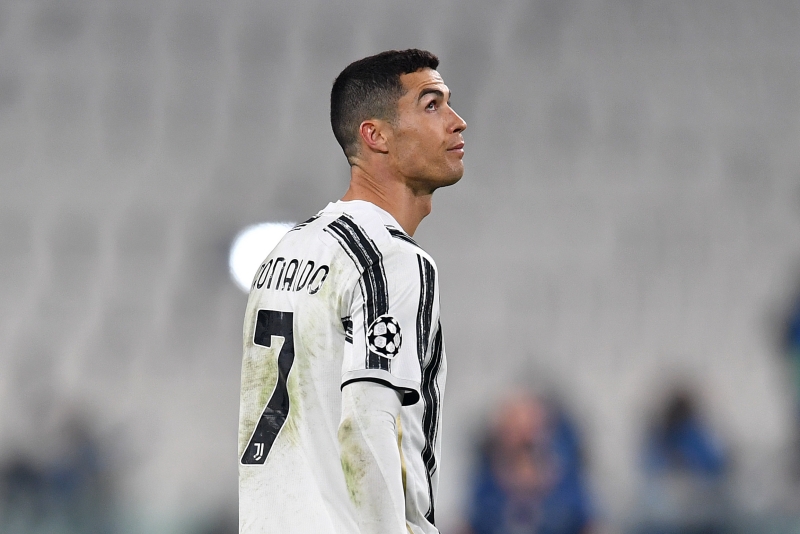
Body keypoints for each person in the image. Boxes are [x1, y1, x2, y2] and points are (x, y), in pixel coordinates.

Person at [237, 49, 466, 534]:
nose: (457, 121)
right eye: (431, 105)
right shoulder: (388, 258)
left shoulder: (283, 254)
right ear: (375, 135)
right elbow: (366, 422)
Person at [462, 392, 596, 534]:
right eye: (516, 428)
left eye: (531, 427)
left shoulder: (566, 479)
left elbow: (588, 522)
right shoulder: (486, 481)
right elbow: (469, 522)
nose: (525, 436)